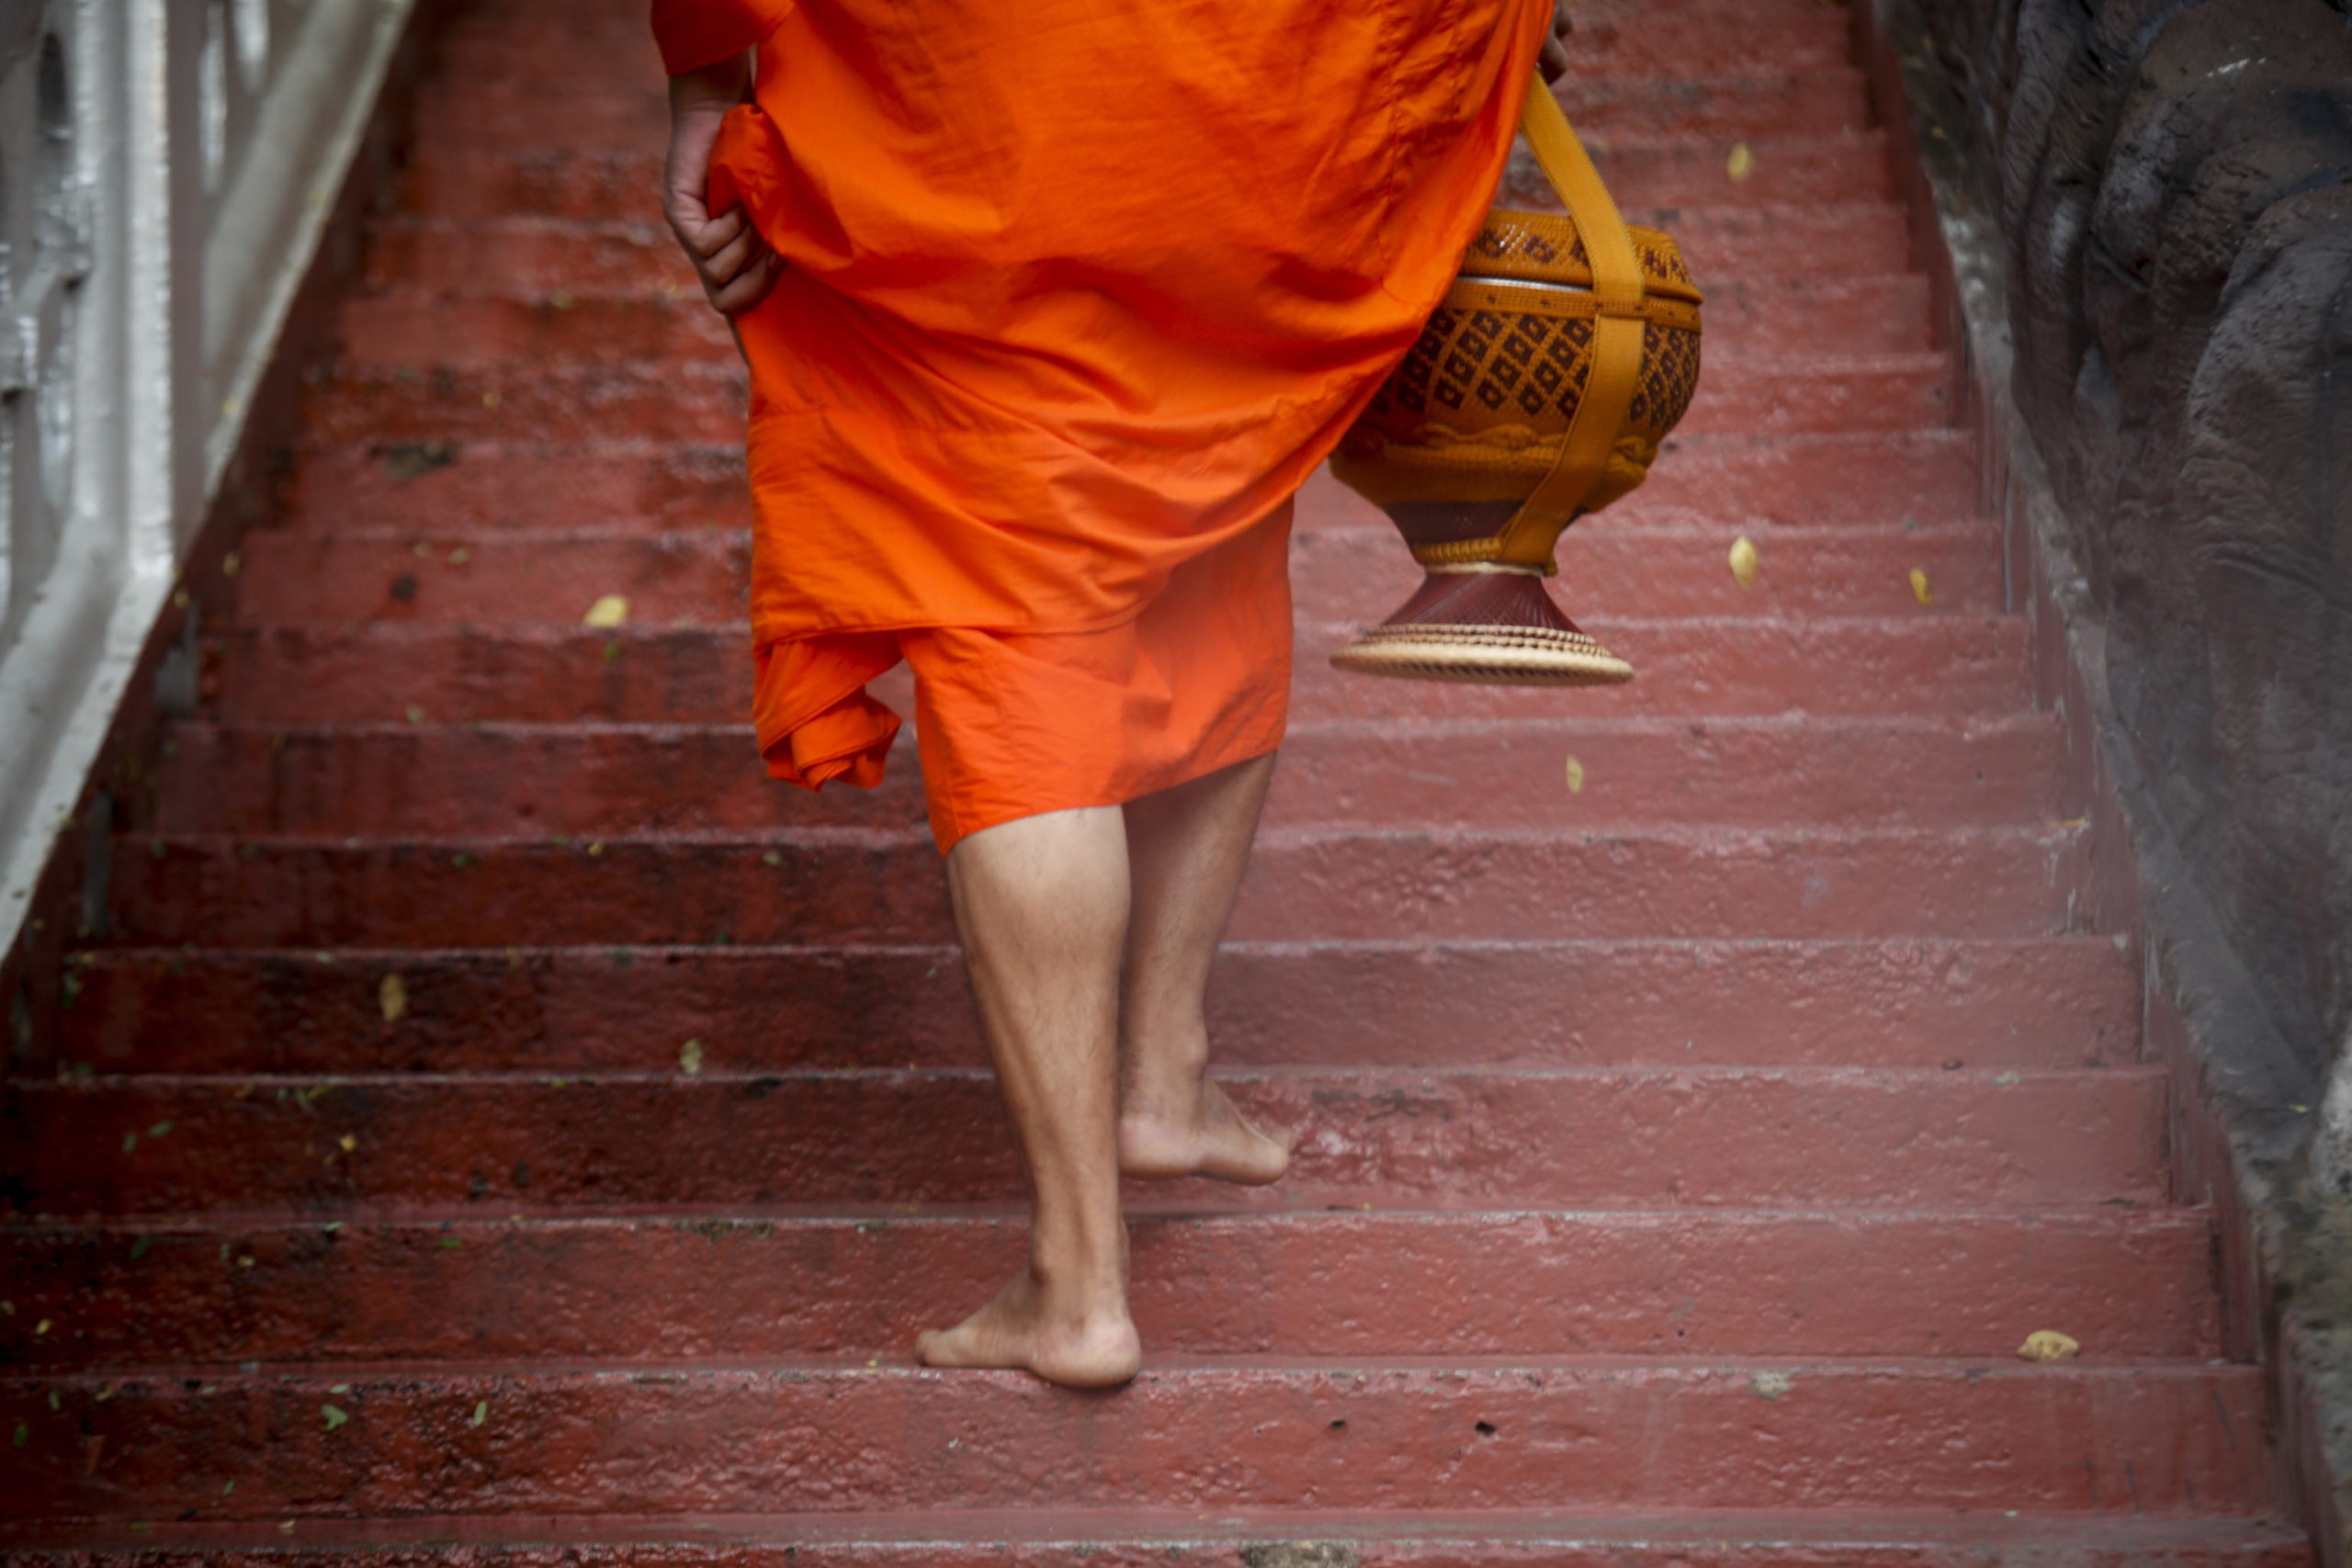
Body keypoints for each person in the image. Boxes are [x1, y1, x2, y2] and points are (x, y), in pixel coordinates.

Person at [651, 0, 1567, 1388]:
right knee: (1211, 446)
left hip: (977, 84)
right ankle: (1163, 1074)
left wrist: (702, 77)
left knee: (1002, 585)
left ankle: (1078, 1283)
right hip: (1280, 77)